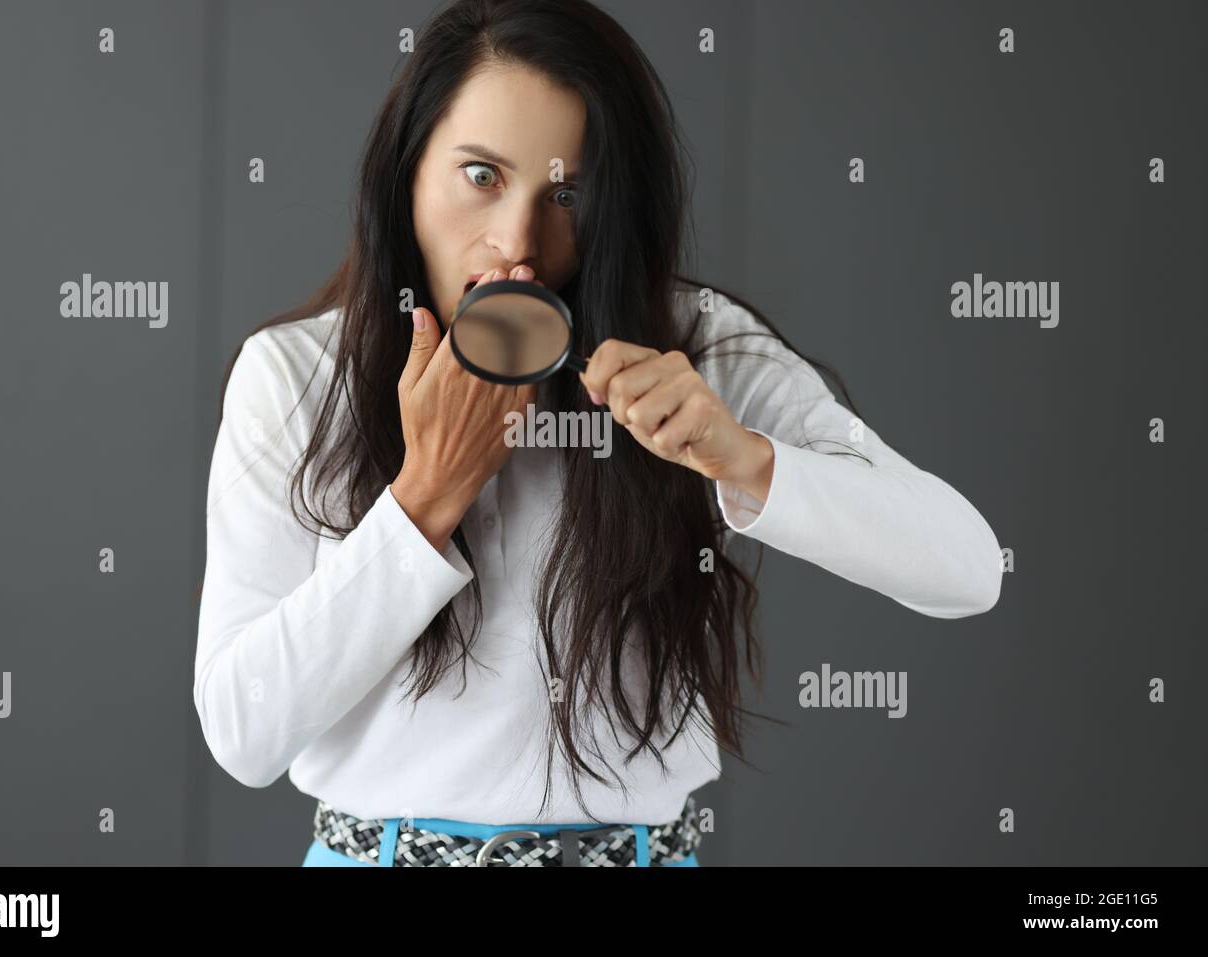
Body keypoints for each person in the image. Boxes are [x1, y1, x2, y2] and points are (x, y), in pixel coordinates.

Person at [192, 0, 1001, 868]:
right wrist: (424, 499)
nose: (519, 242)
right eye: (481, 176)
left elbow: (969, 569)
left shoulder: (695, 350)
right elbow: (244, 731)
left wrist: (744, 459)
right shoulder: (297, 376)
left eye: (566, 194)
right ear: (407, 173)